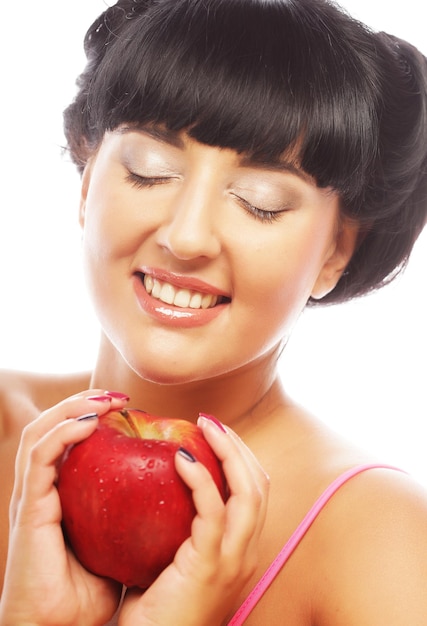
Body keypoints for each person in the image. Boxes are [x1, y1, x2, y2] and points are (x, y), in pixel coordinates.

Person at [1, 0, 427, 624]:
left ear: (338, 249)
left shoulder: (383, 547)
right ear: (88, 180)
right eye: (150, 171)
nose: (187, 236)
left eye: (260, 202)